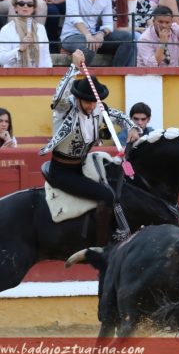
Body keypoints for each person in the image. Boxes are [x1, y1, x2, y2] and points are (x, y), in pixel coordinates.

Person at [39, 49, 141, 243]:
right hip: (63, 171)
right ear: (77, 97)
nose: (91, 106)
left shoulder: (98, 109)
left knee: (117, 184)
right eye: (87, 101)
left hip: (83, 166)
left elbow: (120, 116)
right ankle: (102, 242)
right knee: (106, 195)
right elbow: (58, 97)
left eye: (94, 101)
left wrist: (133, 127)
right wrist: (73, 68)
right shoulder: (66, 108)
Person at [60, 0, 135, 67]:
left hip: (93, 35)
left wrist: (101, 33)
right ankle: (79, 78)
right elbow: (74, 17)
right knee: (89, 46)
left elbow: (108, 23)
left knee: (128, 38)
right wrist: (88, 35)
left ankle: (114, 75)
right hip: (72, 36)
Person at [0, 0, 52, 67]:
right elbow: (1, 59)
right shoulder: (7, 29)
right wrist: (20, 49)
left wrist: (48, 75)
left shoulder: (40, 28)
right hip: (13, 75)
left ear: (34, 9)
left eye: (30, 4)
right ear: (15, 8)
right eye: (21, 4)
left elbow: (46, 57)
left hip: (37, 75)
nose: (25, 6)